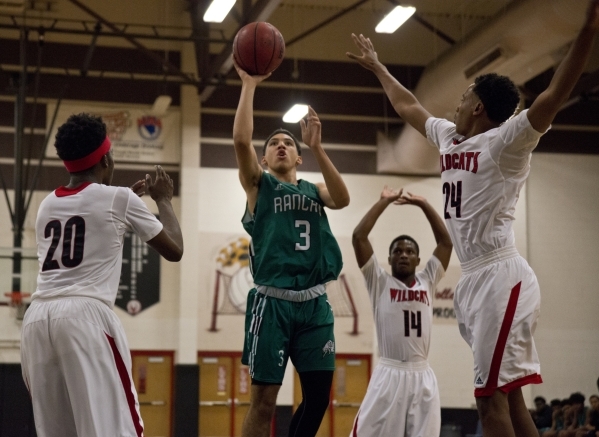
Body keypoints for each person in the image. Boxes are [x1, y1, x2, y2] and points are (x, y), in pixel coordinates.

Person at [347, 2, 599, 436]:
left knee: (487, 401)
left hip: (501, 275)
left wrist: (589, 29)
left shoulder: (507, 142)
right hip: (476, 280)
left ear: (478, 106)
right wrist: (378, 68)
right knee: (509, 397)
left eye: (464, 96)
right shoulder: (449, 136)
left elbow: (553, 95)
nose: (457, 101)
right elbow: (408, 106)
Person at [20, 113, 184, 437]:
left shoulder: (47, 205)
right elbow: (175, 249)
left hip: (36, 321)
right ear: (107, 157)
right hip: (85, 317)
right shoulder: (118, 198)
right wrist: (163, 198)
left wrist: (120, 202)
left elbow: (90, 214)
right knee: (114, 429)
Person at [232, 59, 350, 437]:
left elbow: (344, 199)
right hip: (273, 302)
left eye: (288, 143)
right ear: (264, 159)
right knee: (264, 401)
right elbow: (239, 140)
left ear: (298, 158)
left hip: (315, 303)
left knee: (317, 399)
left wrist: (317, 147)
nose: (281, 146)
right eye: (273, 144)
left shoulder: (313, 190)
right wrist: (249, 85)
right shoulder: (259, 186)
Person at [351, 186, 452, 436]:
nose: (404, 255)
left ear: (419, 260)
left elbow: (446, 242)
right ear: (389, 258)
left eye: (410, 252)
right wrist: (384, 201)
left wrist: (424, 204)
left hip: (422, 375)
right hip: (389, 373)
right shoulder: (379, 281)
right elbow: (359, 237)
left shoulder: (428, 279)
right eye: (397, 251)